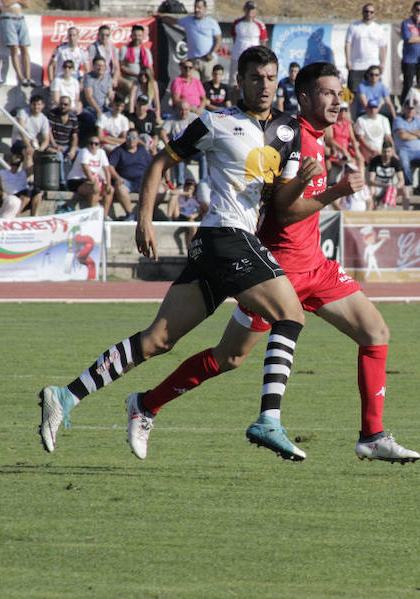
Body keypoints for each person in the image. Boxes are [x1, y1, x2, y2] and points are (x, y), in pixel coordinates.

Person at [120, 61, 419, 464]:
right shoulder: (290, 136)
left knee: (375, 332)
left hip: (316, 266)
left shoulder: (314, 138)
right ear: (304, 98)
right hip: (277, 271)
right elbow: (284, 210)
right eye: (328, 94)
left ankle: (373, 435)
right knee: (229, 357)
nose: (337, 102)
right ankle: (147, 404)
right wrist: (336, 191)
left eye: (339, 94)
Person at [38, 46, 309, 461]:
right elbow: (160, 162)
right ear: (240, 81)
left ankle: (66, 396)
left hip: (221, 246)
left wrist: (310, 185)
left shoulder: (289, 130)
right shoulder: (216, 122)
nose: (265, 86)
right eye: (256, 78)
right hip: (226, 236)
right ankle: (269, 419)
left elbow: (283, 202)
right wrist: (144, 219)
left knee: (157, 340)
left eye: (271, 78)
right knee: (290, 315)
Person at [67, 134, 114, 215]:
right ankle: (92, 215)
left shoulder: (101, 152)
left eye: (96, 144)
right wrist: (93, 181)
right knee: (95, 188)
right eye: (91, 143)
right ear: (87, 144)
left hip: (91, 180)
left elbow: (107, 170)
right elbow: (85, 168)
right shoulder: (84, 151)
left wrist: (109, 184)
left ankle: (105, 216)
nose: (93, 146)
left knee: (110, 190)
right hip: (76, 180)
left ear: (99, 145)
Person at [109, 128, 150, 220]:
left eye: (134, 137)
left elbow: (151, 165)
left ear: (138, 139)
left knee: (160, 189)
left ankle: (145, 213)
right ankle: (130, 214)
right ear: (126, 138)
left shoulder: (142, 150)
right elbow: (110, 167)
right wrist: (117, 177)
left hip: (142, 181)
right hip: (126, 180)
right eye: (129, 137)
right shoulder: (119, 150)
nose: (131, 140)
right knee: (120, 187)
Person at [345, 3, 387, 94]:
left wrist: (383, 62)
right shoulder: (354, 26)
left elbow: (382, 47)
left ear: (374, 13)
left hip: (373, 65)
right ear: (362, 12)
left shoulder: (379, 28)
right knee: (353, 93)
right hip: (356, 66)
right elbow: (348, 44)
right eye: (366, 11)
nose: (369, 14)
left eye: (371, 12)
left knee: (373, 93)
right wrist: (348, 60)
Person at [226, 1, 268, 88]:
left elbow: (263, 42)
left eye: (252, 9)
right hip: (237, 56)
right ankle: (235, 96)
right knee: (235, 80)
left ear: (255, 11)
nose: (250, 12)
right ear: (244, 9)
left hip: (253, 57)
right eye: (248, 9)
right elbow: (234, 37)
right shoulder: (237, 23)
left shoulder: (260, 24)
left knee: (253, 78)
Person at [399, 1, 420, 104]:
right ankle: (404, 106)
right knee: (408, 85)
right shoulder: (406, 23)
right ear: (413, 10)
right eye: (418, 10)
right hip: (410, 59)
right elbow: (409, 39)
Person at [160, 101, 198, 186]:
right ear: (177, 110)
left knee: (203, 156)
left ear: (189, 109)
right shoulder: (172, 118)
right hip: (179, 149)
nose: (184, 112)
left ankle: (203, 181)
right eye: (181, 110)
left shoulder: (194, 118)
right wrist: (169, 145)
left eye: (186, 110)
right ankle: (180, 183)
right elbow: (162, 132)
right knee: (179, 156)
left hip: (193, 149)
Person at [46, 95, 79, 189]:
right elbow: (48, 132)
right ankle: (63, 183)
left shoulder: (73, 118)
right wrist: (55, 145)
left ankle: (75, 182)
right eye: (61, 104)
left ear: (69, 106)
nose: (63, 106)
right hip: (53, 144)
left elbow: (75, 136)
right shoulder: (52, 114)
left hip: (67, 145)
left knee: (80, 154)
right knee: (59, 155)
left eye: (65, 104)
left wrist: (73, 149)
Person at [0, 151, 41, 218]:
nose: (15, 167)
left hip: (25, 195)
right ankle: (16, 214)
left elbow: (33, 164)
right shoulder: (3, 173)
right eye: (13, 164)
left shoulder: (23, 173)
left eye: (17, 165)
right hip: (13, 195)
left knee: (37, 191)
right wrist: (2, 193)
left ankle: (34, 216)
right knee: (26, 193)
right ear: (10, 164)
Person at [0, 0, 34, 86]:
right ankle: (21, 77)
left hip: (20, 18)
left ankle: (28, 77)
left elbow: (27, 4)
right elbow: (5, 3)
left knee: (24, 48)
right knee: (14, 48)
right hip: (8, 19)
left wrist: (14, 1)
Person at [366, 140, 409, 209]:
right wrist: (385, 186)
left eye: (389, 152)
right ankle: (371, 210)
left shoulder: (395, 162)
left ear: (392, 151)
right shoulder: (375, 161)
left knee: (405, 190)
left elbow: (402, 180)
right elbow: (371, 180)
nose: (386, 154)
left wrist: (395, 187)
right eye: (384, 152)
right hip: (378, 187)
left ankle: (407, 213)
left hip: (390, 187)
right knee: (371, 190)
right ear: (381, 151)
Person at [80, 56, 115, 139]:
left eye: (103, 66)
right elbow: (89, 97)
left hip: (103, 107)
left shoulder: (107, 77)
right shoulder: (88, 77)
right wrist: (98, 111)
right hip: (90, 107)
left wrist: (113, 101)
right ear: (93, 66)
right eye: (98, 65)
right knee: (92, 120)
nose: (100, 68)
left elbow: (110, 92)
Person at [12, 94, 53, 159]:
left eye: (39, 104)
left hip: (33, 143)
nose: (36, 107)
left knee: (51, 151)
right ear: (30, 104)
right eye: (34, 104)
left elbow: (46, 140)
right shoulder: (23, 112)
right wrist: (29, 146)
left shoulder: (44, 119)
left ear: (43, 105)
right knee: (29, 153)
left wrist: (40, 150)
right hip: (20, 141)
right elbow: (21, 131)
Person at [117, 23, 153, 97]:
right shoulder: (125, 49)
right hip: (129, 79)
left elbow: (150, 68)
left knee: (155, 85)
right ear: (131, 36)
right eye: (135, 35)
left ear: (143, 37)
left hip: (143, 79)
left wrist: (149, 78)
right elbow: (121, 67)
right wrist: (136, 75)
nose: (137, 38)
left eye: (139, 36)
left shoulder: (146, 51)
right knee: (131, 87)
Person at [354, 98, 392, 163]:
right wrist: (371, 151)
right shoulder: (361, 120)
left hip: (382, 150)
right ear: (367, 108)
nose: (373, 110)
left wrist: (392, 151)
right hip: (368, 150)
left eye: (375, 107)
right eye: (370, 108)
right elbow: (360, 139)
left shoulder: (384, 119)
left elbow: (388, 137)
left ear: (378, 109)